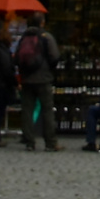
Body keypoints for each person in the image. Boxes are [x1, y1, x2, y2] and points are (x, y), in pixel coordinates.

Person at [14, 16, 61, 152]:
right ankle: (50, 142)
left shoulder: (24, 38)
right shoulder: (46, 37)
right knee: (47, 109)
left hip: (27, 79)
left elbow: (17, 58)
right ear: (42, 22)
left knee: (27, 109)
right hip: (43, 78)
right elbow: (55, 56)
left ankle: (29, 141)